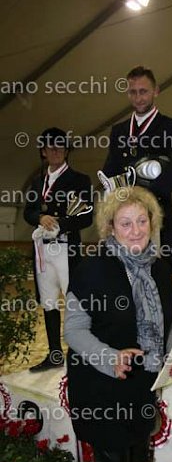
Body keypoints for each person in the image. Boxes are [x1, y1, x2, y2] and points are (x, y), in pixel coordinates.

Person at [64, 186, 172, 462]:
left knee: (139, 454)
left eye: (142, 221)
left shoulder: (160, 266)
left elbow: (170, 319)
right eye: (126, 223)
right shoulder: (93, 268)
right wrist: (109, 358)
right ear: (110, 227)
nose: (136, 230)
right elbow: (74, 331)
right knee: (112, 460)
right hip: (100, 382)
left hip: (141, 381)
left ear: (153, 222)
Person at [102, 65, 172, 273]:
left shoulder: (170, 127)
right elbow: (110, 170)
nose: (138, 98)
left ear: (155, 91)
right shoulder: (119, 131)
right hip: (124, 215)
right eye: (133, 92)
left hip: (155, 213)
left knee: (159, 276)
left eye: (143, 91)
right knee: (124, 276)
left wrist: (146, 192)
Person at [24, 127, 93, 372]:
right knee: (49, 302)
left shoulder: (80, 180)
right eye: (51, 147)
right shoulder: (37, 182)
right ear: (43, 151)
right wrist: (40, 217)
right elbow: (28, 212)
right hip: (43, 252)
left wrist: (60, 224)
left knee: (75, 302)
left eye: (60, 147)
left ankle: (82, 353)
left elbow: (86, 216)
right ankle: (55, 354)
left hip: (66, 248)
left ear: (66, 150)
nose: (56, 151)